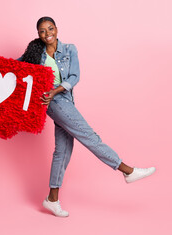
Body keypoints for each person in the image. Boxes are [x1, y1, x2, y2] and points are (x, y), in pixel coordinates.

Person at [17, 16, 156, 217]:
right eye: (42, 31)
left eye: (50, 29)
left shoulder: (70, 49)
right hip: (51, 102)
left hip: (64, 98)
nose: (47, 34)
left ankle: (52, 199)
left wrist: (57, 91)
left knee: (62, 150)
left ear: (57, 28)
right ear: (38, 34)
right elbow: (14, 67)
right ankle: (127, 170)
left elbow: (74, 76)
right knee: (89, 136)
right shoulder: (35, 52)